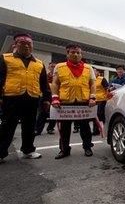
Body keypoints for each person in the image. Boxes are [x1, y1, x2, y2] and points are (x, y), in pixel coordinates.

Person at [0, 33, 50, 163]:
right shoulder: (5, 58)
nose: (26, 46)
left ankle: (28, 150)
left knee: (29, 125)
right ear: (15, 45)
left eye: (29, 44)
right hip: (11, 97)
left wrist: (46, 99)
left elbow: (44, 83)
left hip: (32, 98)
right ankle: (1, 152)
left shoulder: (39, 63)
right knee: (7, 125)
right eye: (22, 43)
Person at [51, 43, 96, 159]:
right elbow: (55, 83)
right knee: (64, 128)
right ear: (67, 53)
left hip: (83, 102)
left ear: (81, 54)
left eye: (78, 53)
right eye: (73, 52)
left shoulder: (88, 68)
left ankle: (87, 147)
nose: (76, 55)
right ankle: (64, 149)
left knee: (85, 127)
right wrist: (55, 97)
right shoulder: (59, 67)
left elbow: (92, 84)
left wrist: (92, 97)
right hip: (65, 102)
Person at [34, 62, 57, 135]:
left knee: (54, 114)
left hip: (55, 97)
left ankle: (50, 128)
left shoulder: (58, 77)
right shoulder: (45, 76)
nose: (53, 68)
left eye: (54, 67)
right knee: (42, 114)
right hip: (44, 97)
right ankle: (38, 129)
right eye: (51, 67)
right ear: (48, 68)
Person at [92, 68, 109, 136]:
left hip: (102, 99)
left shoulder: (102, 79)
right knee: (95, 115)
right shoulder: (91, 80)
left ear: (98, 72)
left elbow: (107, 88)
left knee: (100, 115)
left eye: (94, 71)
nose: (93, 73)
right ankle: (96, 131)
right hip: (94, 100)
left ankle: (106, 129)